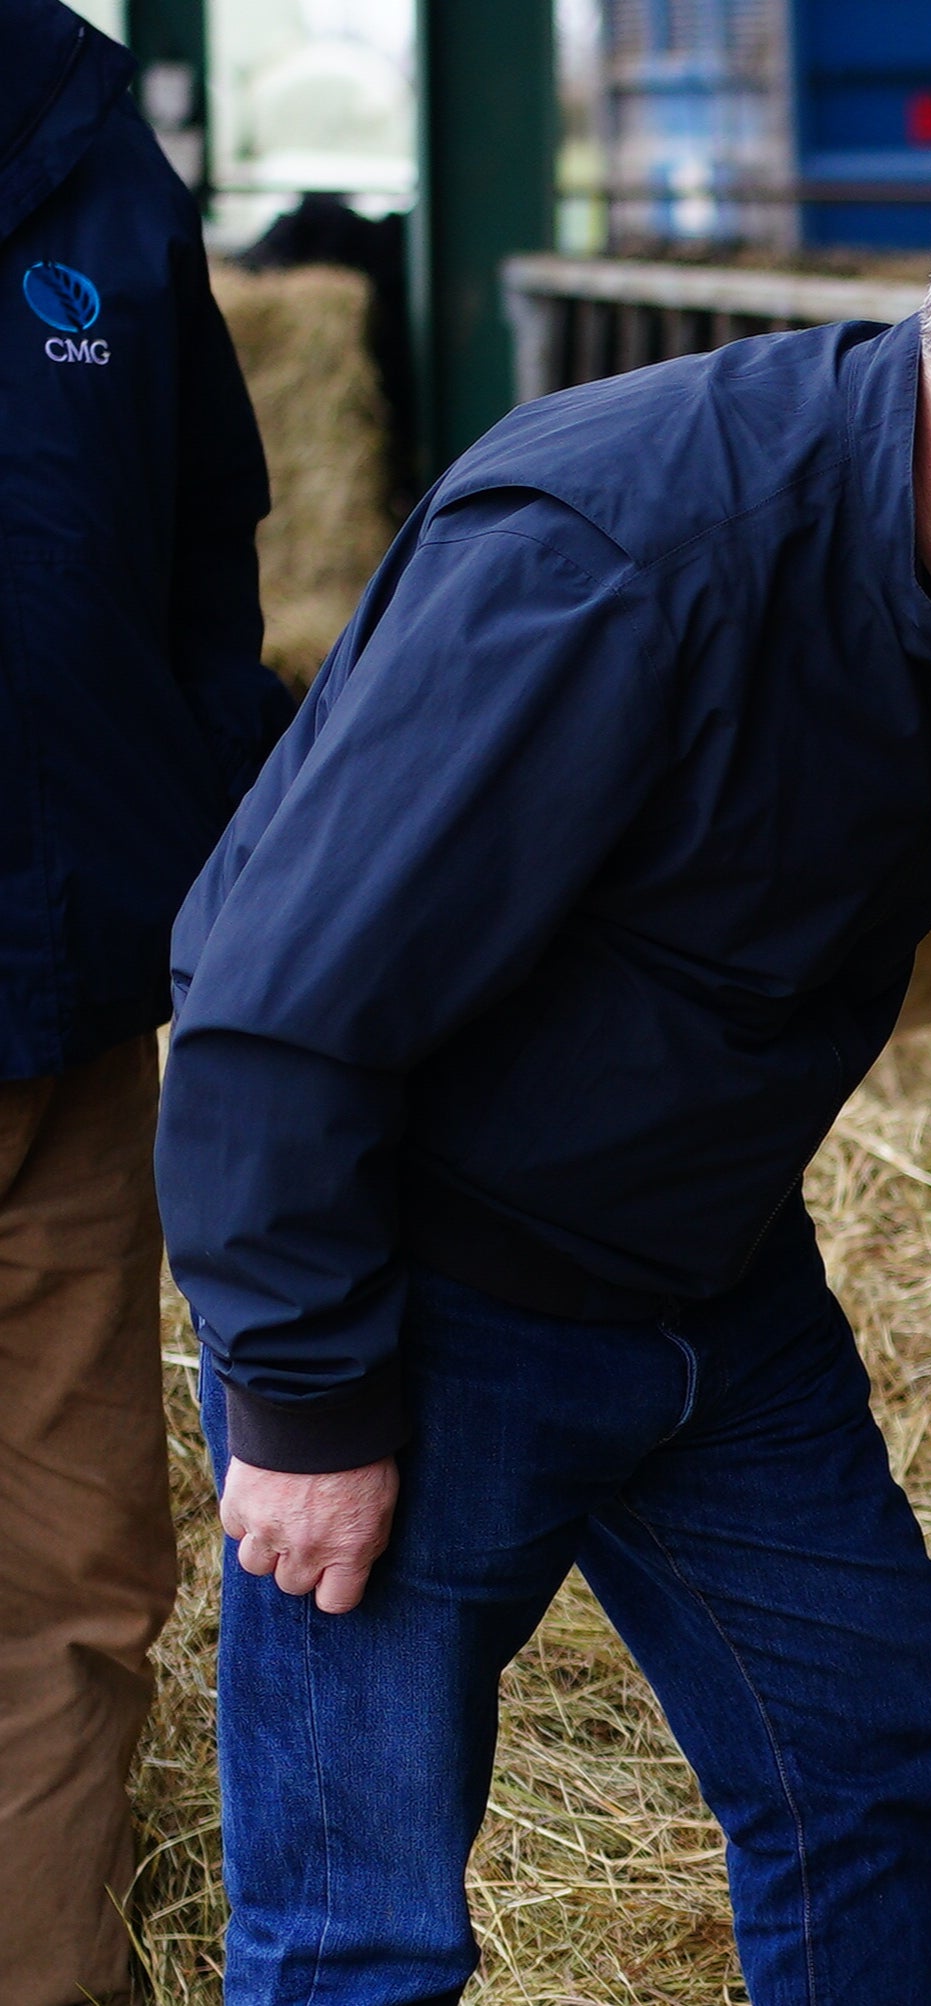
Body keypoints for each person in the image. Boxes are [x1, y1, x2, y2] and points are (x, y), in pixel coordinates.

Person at [156, 100, 931, 2002]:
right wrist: (298, 1399)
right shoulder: (621, 551)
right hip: (421, 1305)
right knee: (357, 1924)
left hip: (711, 1285)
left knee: (866, 1756)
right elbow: (279, 999)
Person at [0, 3, 291, 1998]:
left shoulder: (95, 151)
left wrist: (222, 892)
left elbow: (206, 568)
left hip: (60, 999)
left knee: (71, 1580)